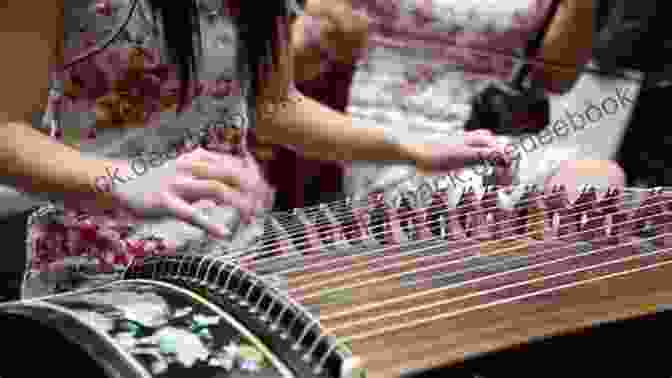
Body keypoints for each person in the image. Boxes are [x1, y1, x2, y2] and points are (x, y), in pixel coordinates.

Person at [1, 0, 511, 298]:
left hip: (234, 253)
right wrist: (122, 177)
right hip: (98, 263)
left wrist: (412, 150)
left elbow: (276, 107)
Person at [331, 0, 626, 205]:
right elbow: (313, 49)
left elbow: (555, 80)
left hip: (489, 135)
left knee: (599, 181)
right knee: (477, 203)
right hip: (391, 136)